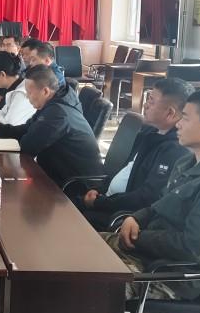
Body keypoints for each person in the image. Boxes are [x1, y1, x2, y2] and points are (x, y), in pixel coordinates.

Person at [102, 88, 200, 300]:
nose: (178, 124)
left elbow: (193, 248)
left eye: (185, 118)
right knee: (78, 248)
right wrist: (136, 218)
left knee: (83, 286)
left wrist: (139, 238)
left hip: (167, 273)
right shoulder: (188, 161)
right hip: (146, 253)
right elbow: (163, 203)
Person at [77, 78, 194, 230]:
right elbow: (124, 170)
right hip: (107, 199)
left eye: (151, 101)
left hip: (122, 215)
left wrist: (100, 202)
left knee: (71, 219)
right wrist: (99, 191)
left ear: (170, 113)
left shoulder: (175, 151)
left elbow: (146, 197)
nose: (145, 104)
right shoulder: (149, 132)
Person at [0, 65, 103, 186]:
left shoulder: (58, 114)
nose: (27, 97)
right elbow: (26, 129)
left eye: (29, 93)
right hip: (57, 174)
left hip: (78, 185)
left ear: (45, 91)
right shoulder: (53, 103)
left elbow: (28, 146)